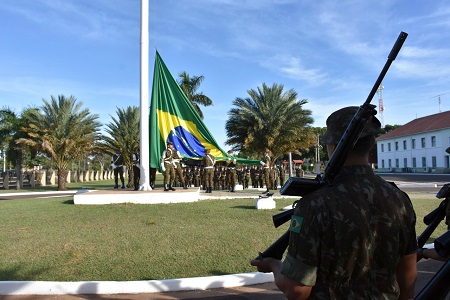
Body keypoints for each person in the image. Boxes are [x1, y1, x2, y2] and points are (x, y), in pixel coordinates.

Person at [251, 106, 418, 300]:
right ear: (372, 143)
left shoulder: (315, 204)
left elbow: (296, 290)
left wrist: (273, 264)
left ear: (330, 145)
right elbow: (408, 273)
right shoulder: (399, 199)